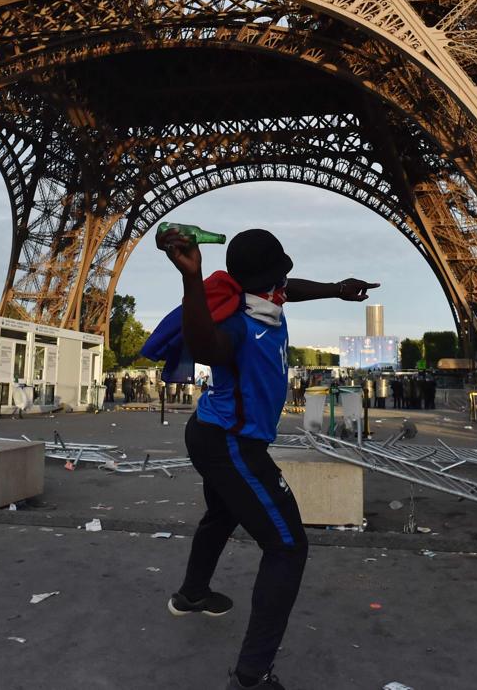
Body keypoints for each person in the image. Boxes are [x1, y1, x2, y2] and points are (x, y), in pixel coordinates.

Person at [157, 227, 377, 690]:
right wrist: (191, 279)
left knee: (221, 513)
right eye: (277, 279)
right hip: (230, 442)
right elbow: (203, 346)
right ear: (258, 284)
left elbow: (290, 290)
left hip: (215, 432)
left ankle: (192, 594)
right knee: (287, 547)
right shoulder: (236, 320)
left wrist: (337, 290)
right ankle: (252, 677)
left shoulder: (268, 299)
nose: (284, 286)